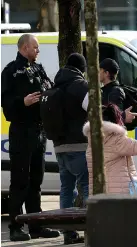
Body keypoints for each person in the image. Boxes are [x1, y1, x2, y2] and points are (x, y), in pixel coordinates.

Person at [1, 34, 60, 241]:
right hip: (21, 131)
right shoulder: (10, 72)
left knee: (36, 181)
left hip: (39, 131)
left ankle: (36, 226)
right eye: (35, 47)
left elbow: (49, 88)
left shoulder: (39, 68)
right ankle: (16, 227)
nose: (38, 51)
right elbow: (6, 103)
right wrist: (22, 102)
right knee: (20, 181)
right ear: (24, 47)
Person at [53, 53, 89, 245]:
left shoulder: (56, 84)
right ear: (82, 68)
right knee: (87, 187)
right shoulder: (81, 86)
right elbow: (94, 109)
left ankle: (68, 233)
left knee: (66, 189)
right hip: (79, 146)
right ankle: (94, 229)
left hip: (59, 148)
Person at [100, 58, 137, 124]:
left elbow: (113, 116)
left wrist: (123, 116)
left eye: (100, 70)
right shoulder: (106, 89)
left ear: (106, 73)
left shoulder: (116, 91)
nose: (97, 73)